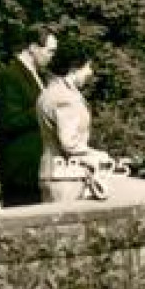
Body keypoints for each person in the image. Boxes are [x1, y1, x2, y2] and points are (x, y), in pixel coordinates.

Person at [37, 42, 112, 203]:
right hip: (65, 177)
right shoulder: (65, 98)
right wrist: (98, 156)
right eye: (87, 67)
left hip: (53, 173)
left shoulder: (49, 91)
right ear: (74, 69)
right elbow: (70, 144)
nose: (90, 72)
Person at [0, 27, 56, 207]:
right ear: (33, 47)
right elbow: (9, 121)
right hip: (19, 169)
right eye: (49, 51)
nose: (51, 56)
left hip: (36, 168)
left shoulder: (39, 75)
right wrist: (45, 108)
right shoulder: (10, 75)